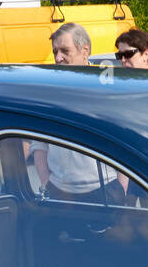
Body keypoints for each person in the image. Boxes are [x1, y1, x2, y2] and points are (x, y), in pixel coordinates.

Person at [32, 22, 124, 202]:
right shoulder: (48, 92)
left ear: (85, 51)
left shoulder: (106, 87)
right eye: (55, 52)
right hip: (59, 192)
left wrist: (122, 187)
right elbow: (39, 144)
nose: (58, 58)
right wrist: (46, 182)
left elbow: (122, 140)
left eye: (65, 51)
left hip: (104, 190)